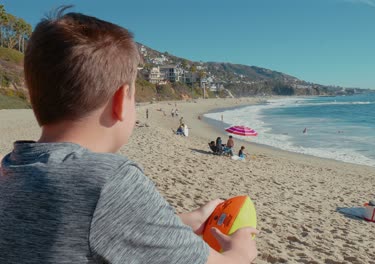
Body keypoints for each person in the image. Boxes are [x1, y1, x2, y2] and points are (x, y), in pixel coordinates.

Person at [0, 8, 257, 264]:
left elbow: (98, 227)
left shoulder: (10, 169)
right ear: (121, 101)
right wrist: (242, 251)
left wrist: (188, 220)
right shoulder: (108, 180)